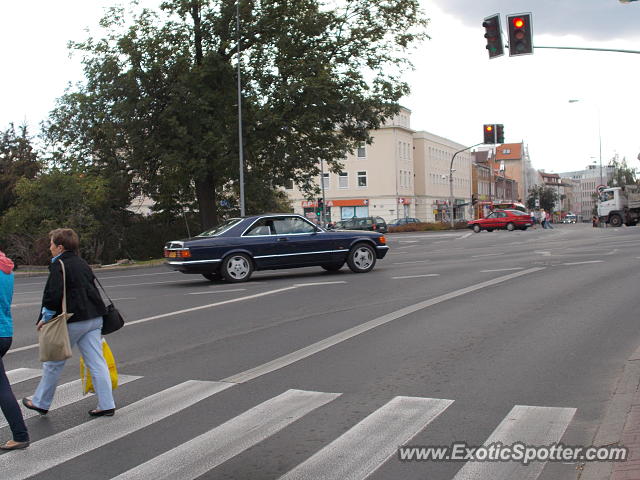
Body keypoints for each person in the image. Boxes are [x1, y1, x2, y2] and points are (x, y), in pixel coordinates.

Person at [23, 229, 115, 417]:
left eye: (51, 244)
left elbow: (53, 295)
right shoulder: (82, 263)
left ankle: (41, 402)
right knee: (97, 362)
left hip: (73, 320)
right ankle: (107, 404)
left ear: (60, 247)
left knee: (53, 363)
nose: (50, 248)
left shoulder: (60, 265)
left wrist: (45, 319)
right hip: (94, 317)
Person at [0, 250, 30, 450]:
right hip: (4, 332)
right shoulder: (6, 268)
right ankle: (20, 435)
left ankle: (20, 434)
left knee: (2, 389)